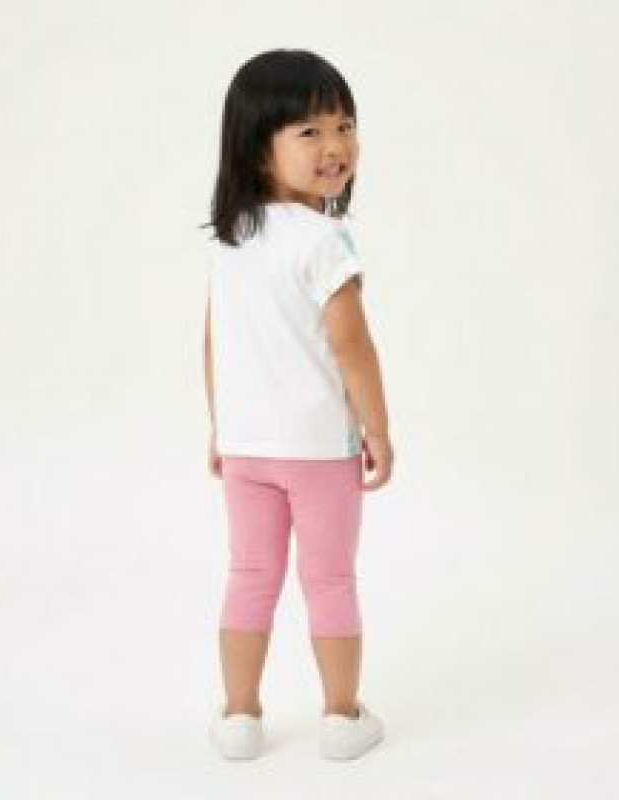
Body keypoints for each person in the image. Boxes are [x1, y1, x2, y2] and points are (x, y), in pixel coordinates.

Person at [200, 49, 394, 761]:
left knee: (249, 576)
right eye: (309, 132)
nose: (334, 145)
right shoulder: (324, 240)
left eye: (344, 125)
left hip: (246, 447)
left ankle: (239, 717)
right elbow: (352, 343)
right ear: (258, 150)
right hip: (316, 450)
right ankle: (341, 719)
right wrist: (378, 428)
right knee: (330, 579)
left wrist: (221, 426)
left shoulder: (232, 241)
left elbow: (213, 341)